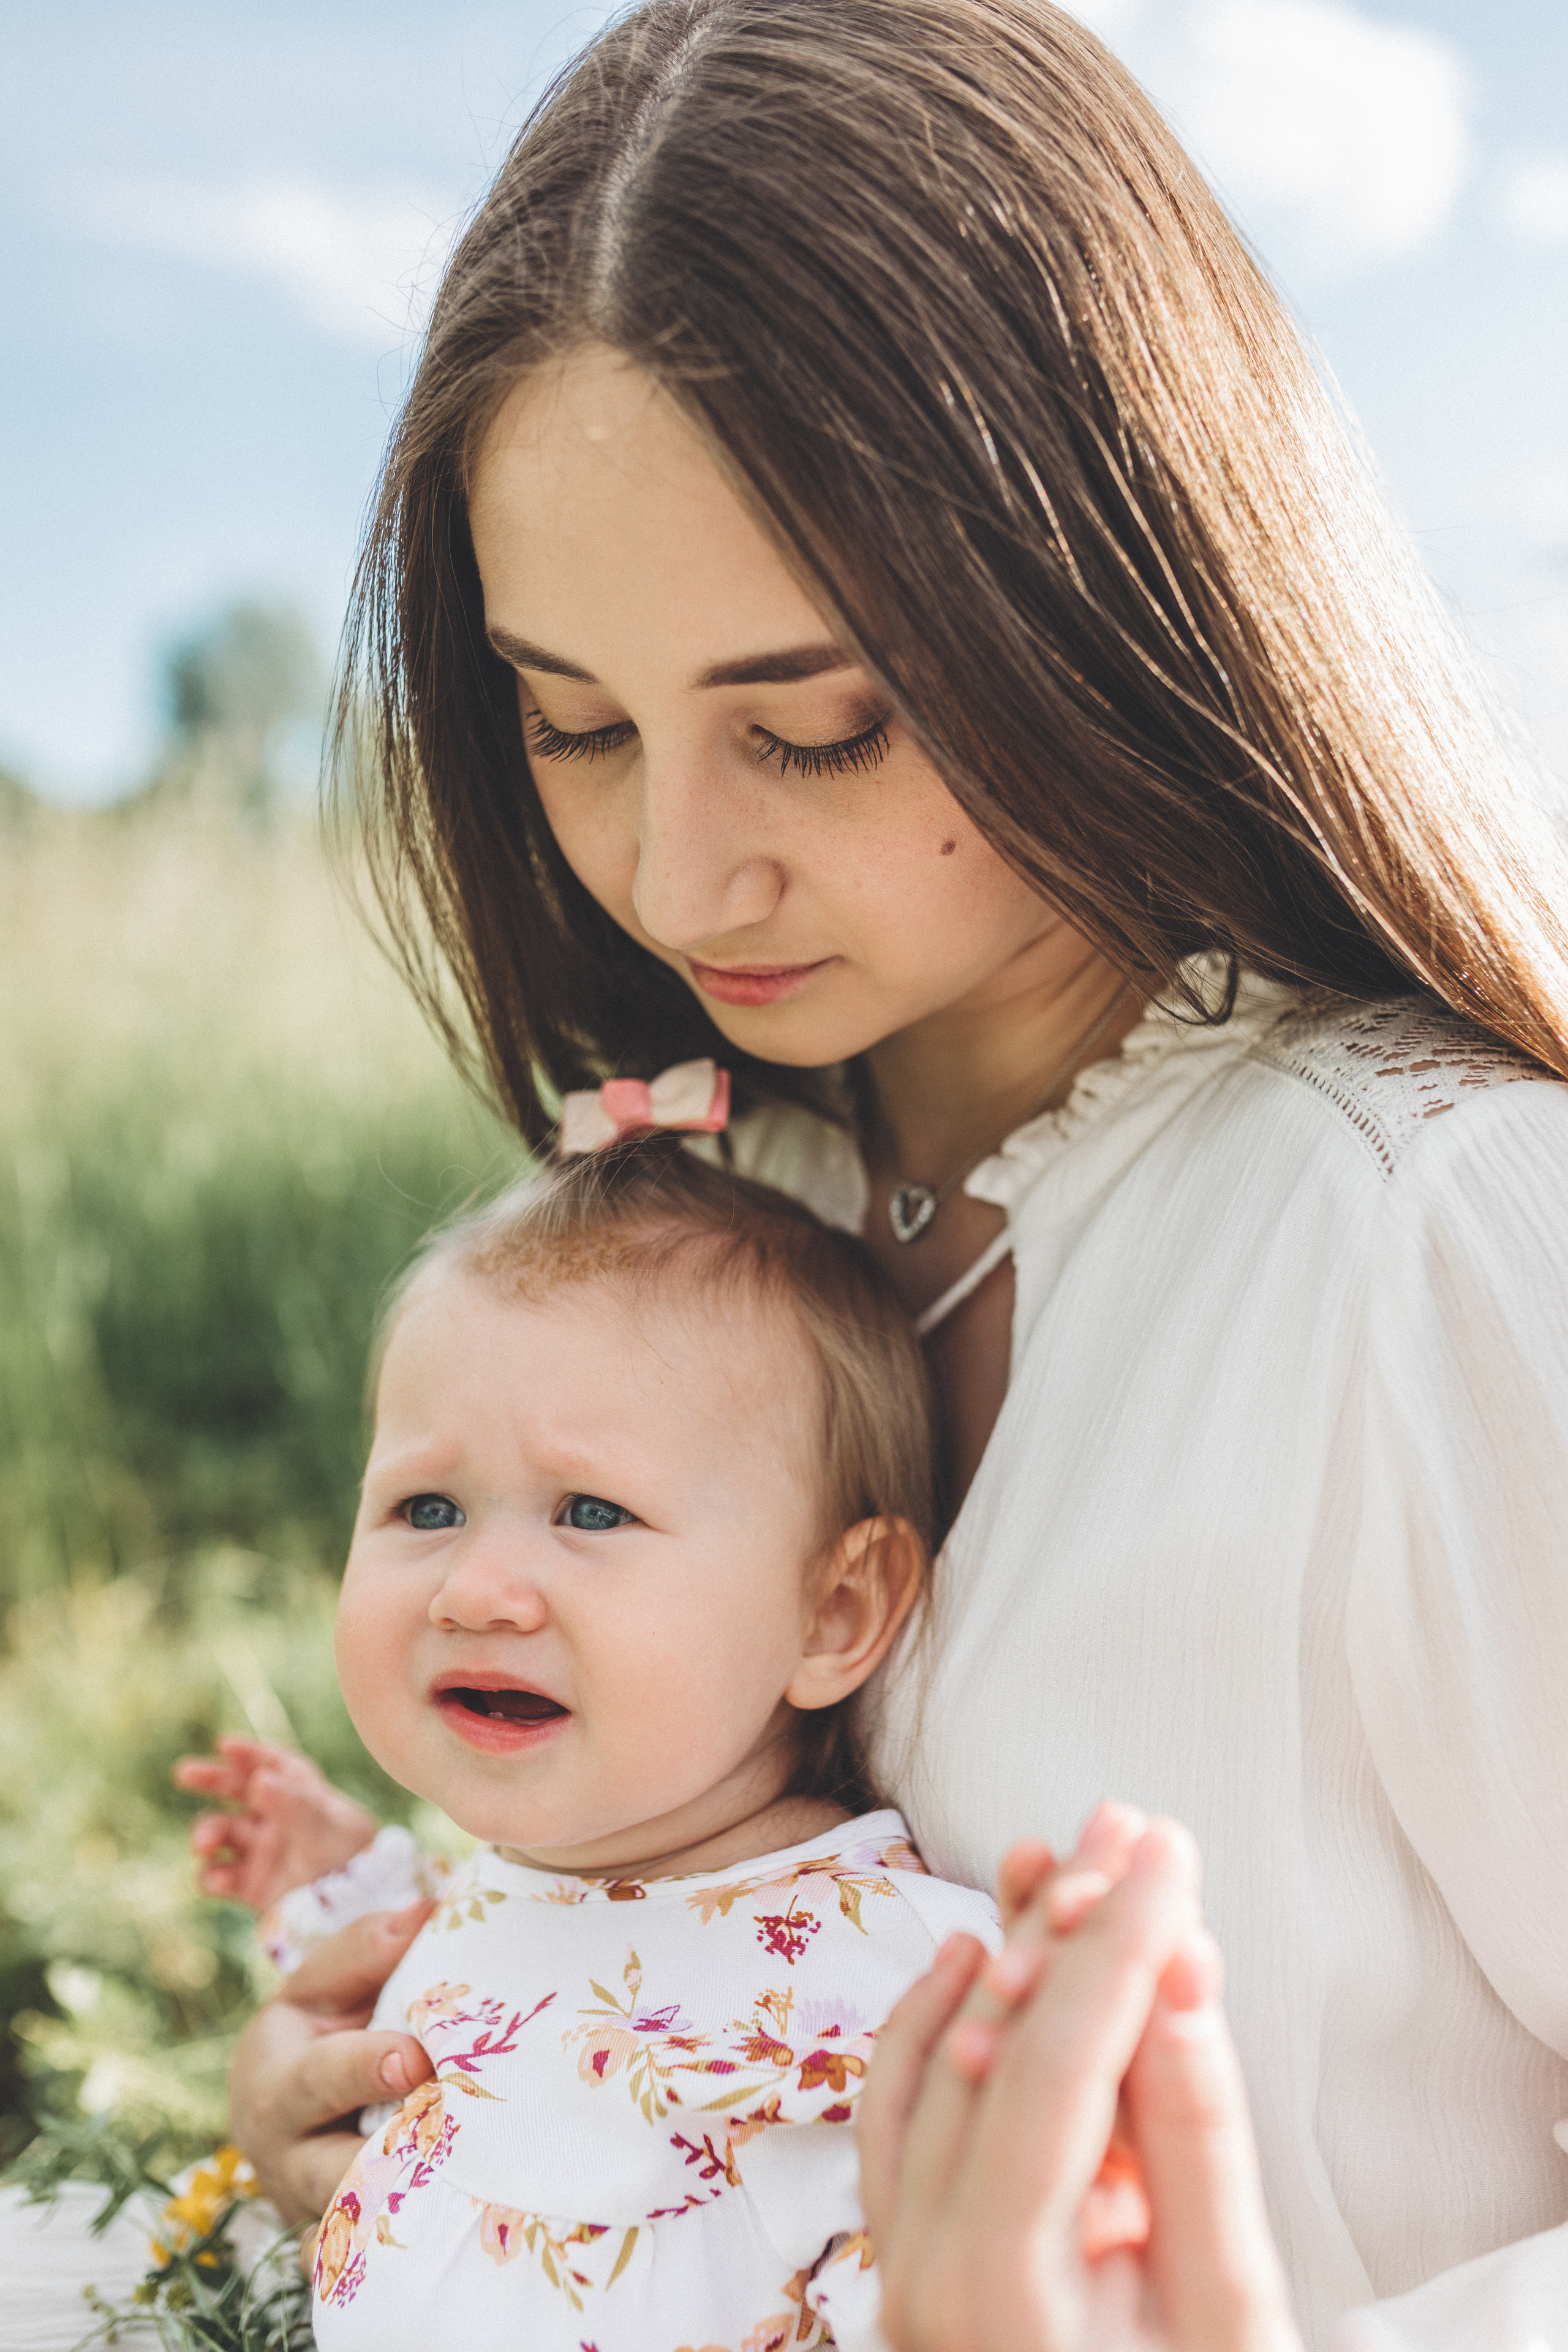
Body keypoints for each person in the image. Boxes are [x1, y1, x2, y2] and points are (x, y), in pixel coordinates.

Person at [12, 0, 1567, 2342]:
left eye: (816, 727)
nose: (675, 871)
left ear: (1119, 598)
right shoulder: (730, 1222)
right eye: (575, 721)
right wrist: (406, 2114)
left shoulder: (1423, 1233)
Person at [271, 1137, 1025, 2349]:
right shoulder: (521, 1876)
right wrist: (327, 1885)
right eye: (426, 1508)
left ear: (828, 1615)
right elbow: (432, 1990)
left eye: (589, 1513)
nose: (476, 1589)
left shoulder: (868, 1982)